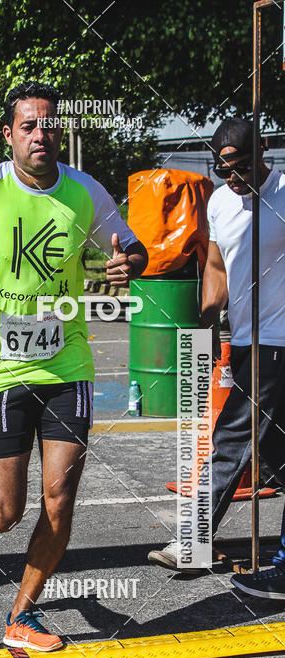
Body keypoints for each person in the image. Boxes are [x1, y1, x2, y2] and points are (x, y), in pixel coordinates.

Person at [0, 82, 147, 650]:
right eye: (29, 126)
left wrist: (126, 265)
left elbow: (132, 248)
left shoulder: (85, 192)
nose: (41, 134)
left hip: (67, 365)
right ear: (9, 135)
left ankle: (23, 614)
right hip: (1, 369)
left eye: (50, 124)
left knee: (59, 499)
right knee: (5, 513)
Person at [148, 117, 285, 599]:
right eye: (223, 169)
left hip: (277, 341)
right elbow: (216, 266)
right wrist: (208, 326)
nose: (233, 177)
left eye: (242, 166)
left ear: (263, 149)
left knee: (231, 438)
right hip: (245, 339)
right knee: (276, 456)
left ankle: (193, 541)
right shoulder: (221, 201)